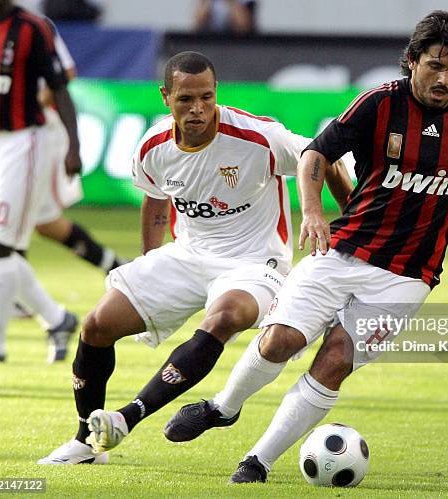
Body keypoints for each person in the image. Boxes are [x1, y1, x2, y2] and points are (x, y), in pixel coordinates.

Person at [163, 10, 448, 484]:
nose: (444, 78)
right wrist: (311, 211)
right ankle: (223, 408)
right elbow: (314, 154)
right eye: (435, 65)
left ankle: (257, 462)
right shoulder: (378, 104)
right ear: (412, 61)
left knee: (335, 360)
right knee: (280, 340)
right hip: (344, 250)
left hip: (408, 275)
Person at [38, 51, 352, 464]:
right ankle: (85, 442)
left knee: (222, 318)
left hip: (256, 263)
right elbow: (154, 206)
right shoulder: (153, 147)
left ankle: (126, 418)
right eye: (186, 99)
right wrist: (148, 270)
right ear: (166, 96)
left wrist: (349, 220)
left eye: (206, 97)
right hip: (188, 256)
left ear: (216, 92)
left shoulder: (259, 137)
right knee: (97, 325)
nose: (198, 109)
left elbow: (320, 155)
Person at [0, 0, 82, 363]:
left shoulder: (31, 28)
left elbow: (60, 85)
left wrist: (74, 144)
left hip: (22, 142)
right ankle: (58, 319)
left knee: (0, 245)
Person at [33, 27, 128, 274]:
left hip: (32, 134)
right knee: (42, 221)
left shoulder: (33, 26)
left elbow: (65, 71)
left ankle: (14, 292)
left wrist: (28, 104)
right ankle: (114, 266)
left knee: (21, 218)